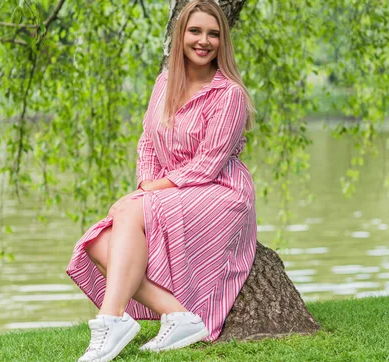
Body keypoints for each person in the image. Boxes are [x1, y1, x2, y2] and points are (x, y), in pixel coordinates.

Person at [66, 1, 257, 361]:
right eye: (195, 31)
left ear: (223, 41)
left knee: (127, 210)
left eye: (213, 34)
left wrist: (149, 194)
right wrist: (146, 185)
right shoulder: (165, 82)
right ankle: (178, 314)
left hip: (219, 191)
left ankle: (109, 320)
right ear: (181, 35)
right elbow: (148, 142)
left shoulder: (229, 94)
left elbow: (207, 165)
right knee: (96, 242)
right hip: (173, 188)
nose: (204, 41)